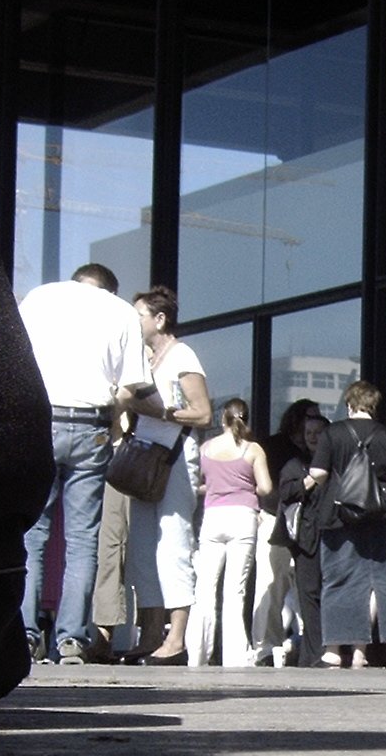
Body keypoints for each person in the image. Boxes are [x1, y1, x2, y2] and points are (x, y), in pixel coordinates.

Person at [15, 262, 151, 665]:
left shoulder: (40, 298)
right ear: (109, 289)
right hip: (90, 425)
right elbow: (129, 387)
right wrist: (112, 417)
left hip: (42, 420)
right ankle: (71, 640)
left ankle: (24, 634)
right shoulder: (121, 311)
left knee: (32, 535)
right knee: (81, 540)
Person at [118, 286, 209, 664]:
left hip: (171, 459)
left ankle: (177, 637)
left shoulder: (183, 354)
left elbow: (203, 413)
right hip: (144, 459)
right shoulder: (142, 358)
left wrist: (162, 413)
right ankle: (151, 632)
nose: (134, 322)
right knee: (142, 547)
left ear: (160, 319)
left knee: (174, 543)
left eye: (139, 315)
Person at [307, 379, 386, 669]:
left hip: (339, 517)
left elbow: (318, 472)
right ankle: (360, 652)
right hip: (383, 518)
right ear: (374, 405)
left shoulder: (333, 433)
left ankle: (332, 649)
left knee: (339, 580)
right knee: (377, 582)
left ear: (349, 403)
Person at [192, 398, 274, 667]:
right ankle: (235, 656)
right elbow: (265, 487)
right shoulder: (252, 450)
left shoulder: (206, 448)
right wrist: (245, 487)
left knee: (204, 589)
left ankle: (198, 653)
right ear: (246, 420)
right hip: (243, 517)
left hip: (213, 517)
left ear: (223, 419)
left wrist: (218, 488)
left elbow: (201, 485)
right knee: (234, 591)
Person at [252, 400, 323, 660]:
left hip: (310, 526)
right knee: (272, 583)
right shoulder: (274, 446)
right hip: (275, 519)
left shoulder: (319, 450)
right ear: (297, 418)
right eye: (310, 417)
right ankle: (265, 647)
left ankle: (309, 646)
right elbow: (261, 483)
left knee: (309, 587)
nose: (314, 422)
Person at [269, 412, 328, 666]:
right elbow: (285, 491)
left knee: (333, 594)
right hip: (305, 540)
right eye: (308, 433)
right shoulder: (296, 465)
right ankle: (313, 654)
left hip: (334, 537)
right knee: (309, 595)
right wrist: (310, 480)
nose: (313, 437)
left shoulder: (338, 464)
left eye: (318, 432)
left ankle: (337, 648)